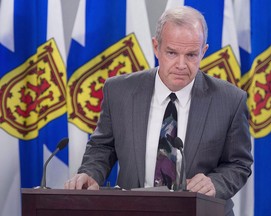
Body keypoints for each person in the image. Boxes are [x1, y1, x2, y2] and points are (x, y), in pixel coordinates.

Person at [65, 6, 253, 215]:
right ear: (156, 47)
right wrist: (91, 173)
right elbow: (102, 147)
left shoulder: (230, 100)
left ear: (204, 51)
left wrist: (214, 183)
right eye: (172, 53)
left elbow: (239, 164)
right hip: (133, 210)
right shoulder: (119, 91)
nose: (181, 65)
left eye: (191, 55)